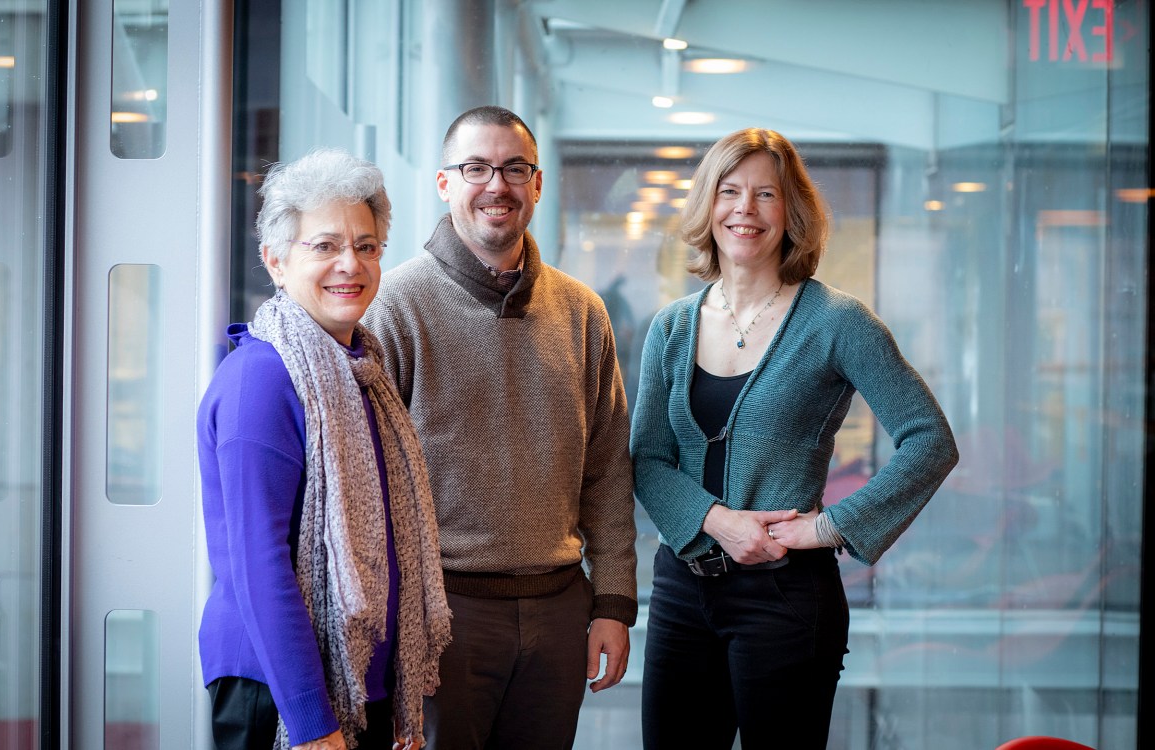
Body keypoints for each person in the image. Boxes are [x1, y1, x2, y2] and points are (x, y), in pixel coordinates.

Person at [630, 128, 959, 749]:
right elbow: (647, 459)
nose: (744, 210)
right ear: (708, 206)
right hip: (681, 591)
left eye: (765, 195)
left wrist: (826, 528)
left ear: (792, 212)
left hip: (784, 599)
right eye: (729, 192)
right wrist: (719, 521)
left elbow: (930, 441)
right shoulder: (671, 327)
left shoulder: (837, 321)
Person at [362, 105, 638, 750]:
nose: (497, 185)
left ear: (537, 185)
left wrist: (614, 604)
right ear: (443, 183)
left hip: (561, 610)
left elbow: (606, 468)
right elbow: (368, 484)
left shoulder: (582, 312)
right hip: (442, 614)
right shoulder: (395, 305)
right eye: (476, 167)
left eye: (515, 168)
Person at [197, 149, 451, 750]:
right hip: (282, 692)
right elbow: (259, 567)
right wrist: (314, 723)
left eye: (366, 246)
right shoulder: (261, 380)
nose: (350, 264)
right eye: (325, 246)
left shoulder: (362, 368)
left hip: (362, 684)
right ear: (276, 261)